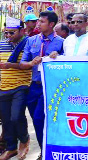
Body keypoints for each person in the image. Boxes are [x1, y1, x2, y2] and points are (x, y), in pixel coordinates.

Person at [19, 11, 64, 159]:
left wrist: (58, 57)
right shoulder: (31, 41)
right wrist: (32, 63)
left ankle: (47, 152)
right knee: (37, 120)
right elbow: (22, 63)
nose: (38, 24)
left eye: (42, 22)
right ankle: (43, 149)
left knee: (40, 118)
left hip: (50, 87)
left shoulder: (61, 42)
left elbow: (67, 64)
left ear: (51, 24)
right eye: (38, 21)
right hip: (34, 86)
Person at [0, 18, 31, 160]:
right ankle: (11, 147)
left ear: (22, 31)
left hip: (22, 85)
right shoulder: (1, 45)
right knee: (6, 120)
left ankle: (24, 140)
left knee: (16, 116)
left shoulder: (28, 44)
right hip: (3, 86)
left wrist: (10, 66)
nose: (8, 36)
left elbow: (30, 65)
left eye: (12, 32)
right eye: (6, 33)